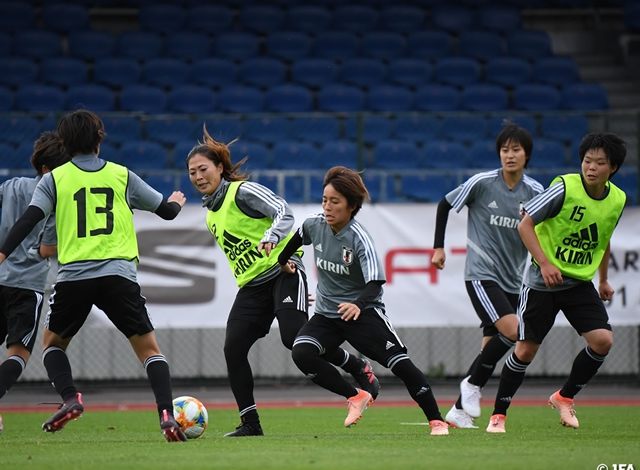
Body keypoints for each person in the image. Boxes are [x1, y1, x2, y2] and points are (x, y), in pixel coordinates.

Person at [0, 110, 188, 442]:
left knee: (52, 346)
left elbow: (28, 220)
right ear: (99, 138)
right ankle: (167, 417)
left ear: (64, 143)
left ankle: (71, 398)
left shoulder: (54, 180)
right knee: (149, 351)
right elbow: (166, 212)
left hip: (74, 276)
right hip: (118, 274)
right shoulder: (121, 175)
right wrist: (175, 202)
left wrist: (2, 252)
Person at [186, 128, 379, 438]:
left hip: (284, 272)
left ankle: (355, 374)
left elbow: (283, 211)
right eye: (192, 172)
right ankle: (251, 424)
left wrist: (272, 236)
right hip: (251, 287)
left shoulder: (243, 191)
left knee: (294, 340)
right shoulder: (210, 214)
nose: (197, 176)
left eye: (203, 169)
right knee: (233, 349)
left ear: (220, 168)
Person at [277, 166, 449, 435]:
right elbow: (298, 237)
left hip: (363, 312)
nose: (327, 207)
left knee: (400, 364)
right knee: (301, 351)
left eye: (335, 201)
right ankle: (355, 396)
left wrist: (357, 304)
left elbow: (376, 282)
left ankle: (436, 420)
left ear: (352, 206)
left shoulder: (359, 238)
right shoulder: (315, 224)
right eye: (324, 200)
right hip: (327, 314)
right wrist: (282, 260)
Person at [485, 132, 627, 433]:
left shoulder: (618, 198)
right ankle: (499, 414)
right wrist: (545, 263)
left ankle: (564, 397)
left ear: (612, 168)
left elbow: (603, 239)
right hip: (541, 283)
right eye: (587, 160)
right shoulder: (564, 187)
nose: (591, 167)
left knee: (603, 341)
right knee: (525, 352)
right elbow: (525, 225)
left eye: (600, 163)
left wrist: (603, 280)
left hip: (578, 284)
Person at [431, 123, 544, 428]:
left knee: (489, 349)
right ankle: (469, 387)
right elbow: (445, 203)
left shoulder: (536, 192)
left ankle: (458, 411)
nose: (509, 155)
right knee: (514, 330)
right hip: (481, 273)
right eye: (505, 150)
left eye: (516, 150)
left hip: (515, 279)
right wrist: (439, 248)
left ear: (526, 155)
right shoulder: (482, 182)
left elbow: (546, 230)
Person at [0, 132, 71, 435]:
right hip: (27, 285)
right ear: (46, 170)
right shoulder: (55, 199)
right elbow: (46, 249)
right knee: (19, 353)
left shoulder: (11, 186)